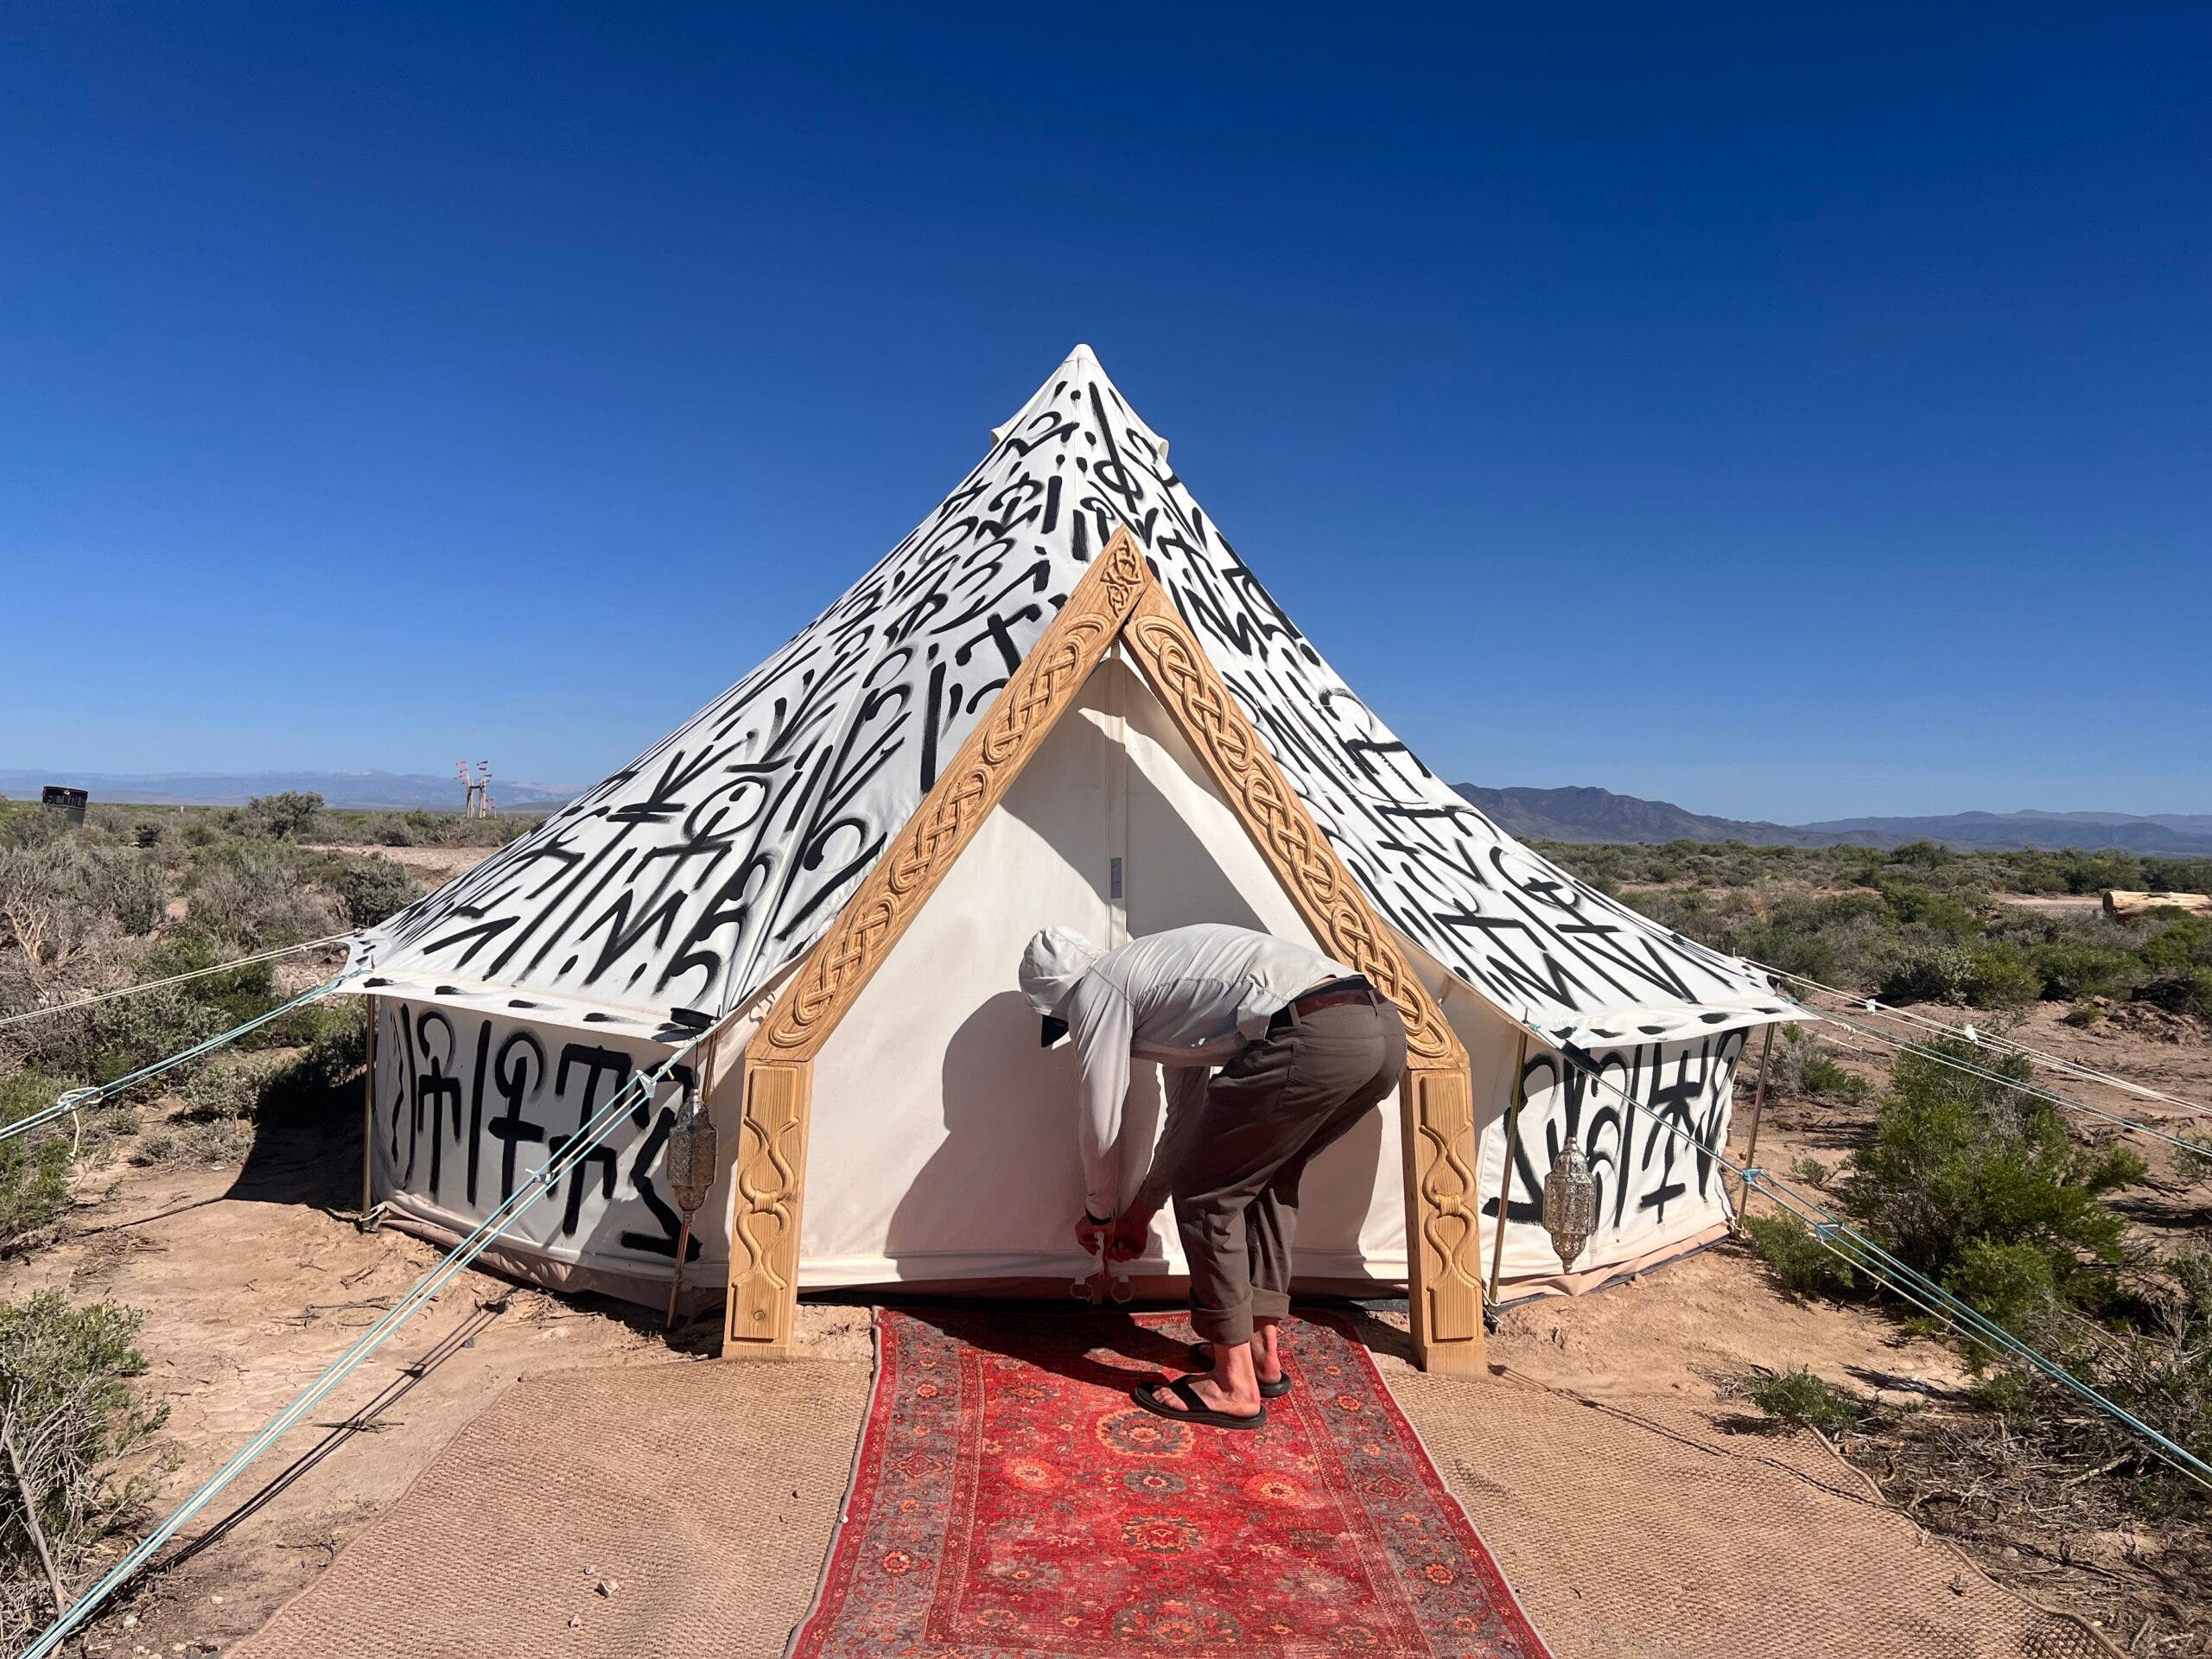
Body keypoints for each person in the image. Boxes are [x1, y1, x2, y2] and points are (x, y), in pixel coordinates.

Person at [1018, 922, 1406, 1429]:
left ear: (1058, 997)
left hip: (1313, 1033)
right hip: (1378, 1030)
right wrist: (1140, 1211)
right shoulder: (1160, 986)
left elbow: (1100, 1119)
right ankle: (1262, 1354)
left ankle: (1231, 1384)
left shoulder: (1099, 988)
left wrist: (1099, 1211)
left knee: (1207, 1198)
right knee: (1264, 1176)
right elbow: (1187, 1120)